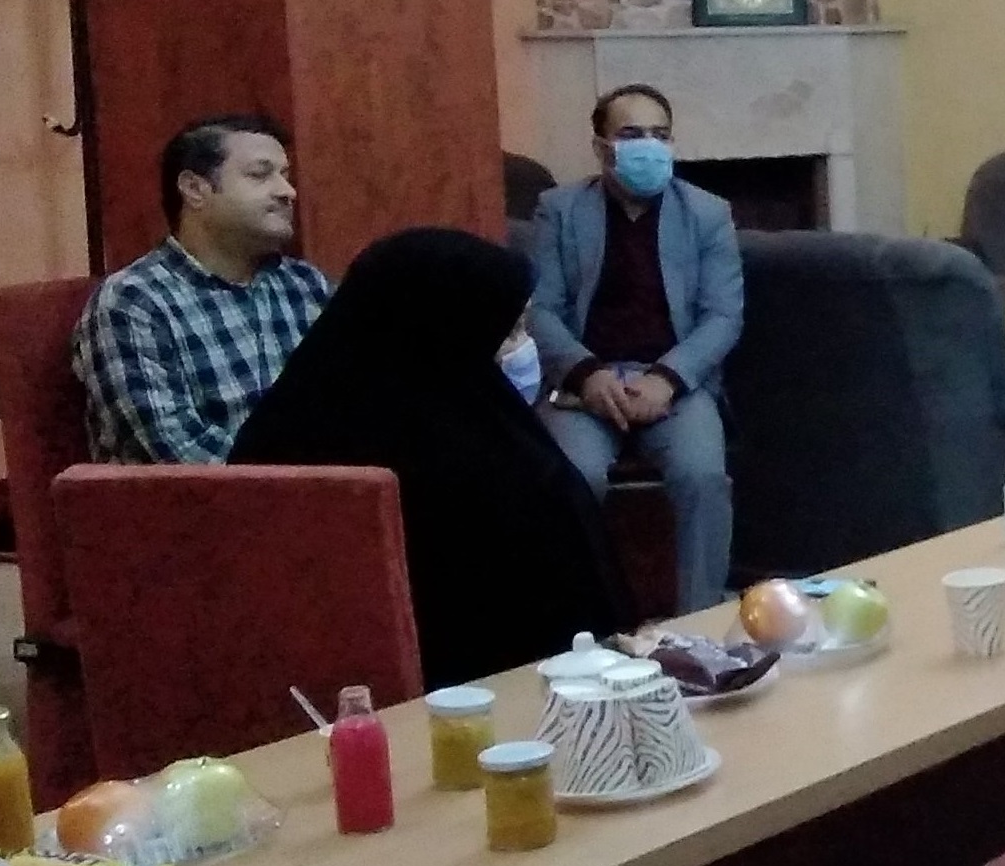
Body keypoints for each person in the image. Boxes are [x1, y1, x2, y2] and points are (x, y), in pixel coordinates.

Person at [230, 228, 637, 690]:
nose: (521, 348)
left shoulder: (465, 410)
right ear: (445, 328)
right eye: (506, 332)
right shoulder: (475, 460)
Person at [527, 83, 741, 614]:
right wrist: (587, 374)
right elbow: (541, 309)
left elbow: (723, 316)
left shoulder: (708, 213)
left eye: (660, 135)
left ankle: (700, 621)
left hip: (674, 383)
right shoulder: (558, 210)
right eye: (631, 134)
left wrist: (666, 379)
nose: (649, 146)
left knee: (703, 477)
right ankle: (584, 624)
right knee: (570, 480)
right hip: (583, 387)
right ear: (602, 147)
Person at [70, 114, 331, 463]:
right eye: (260, 174)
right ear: (194, 189)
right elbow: (175, 451)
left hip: (324, 486)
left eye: (285, 176)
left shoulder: (304, 285)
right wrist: (312, 482)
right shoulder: (133, 301)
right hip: (200, 495)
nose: (288, 192)